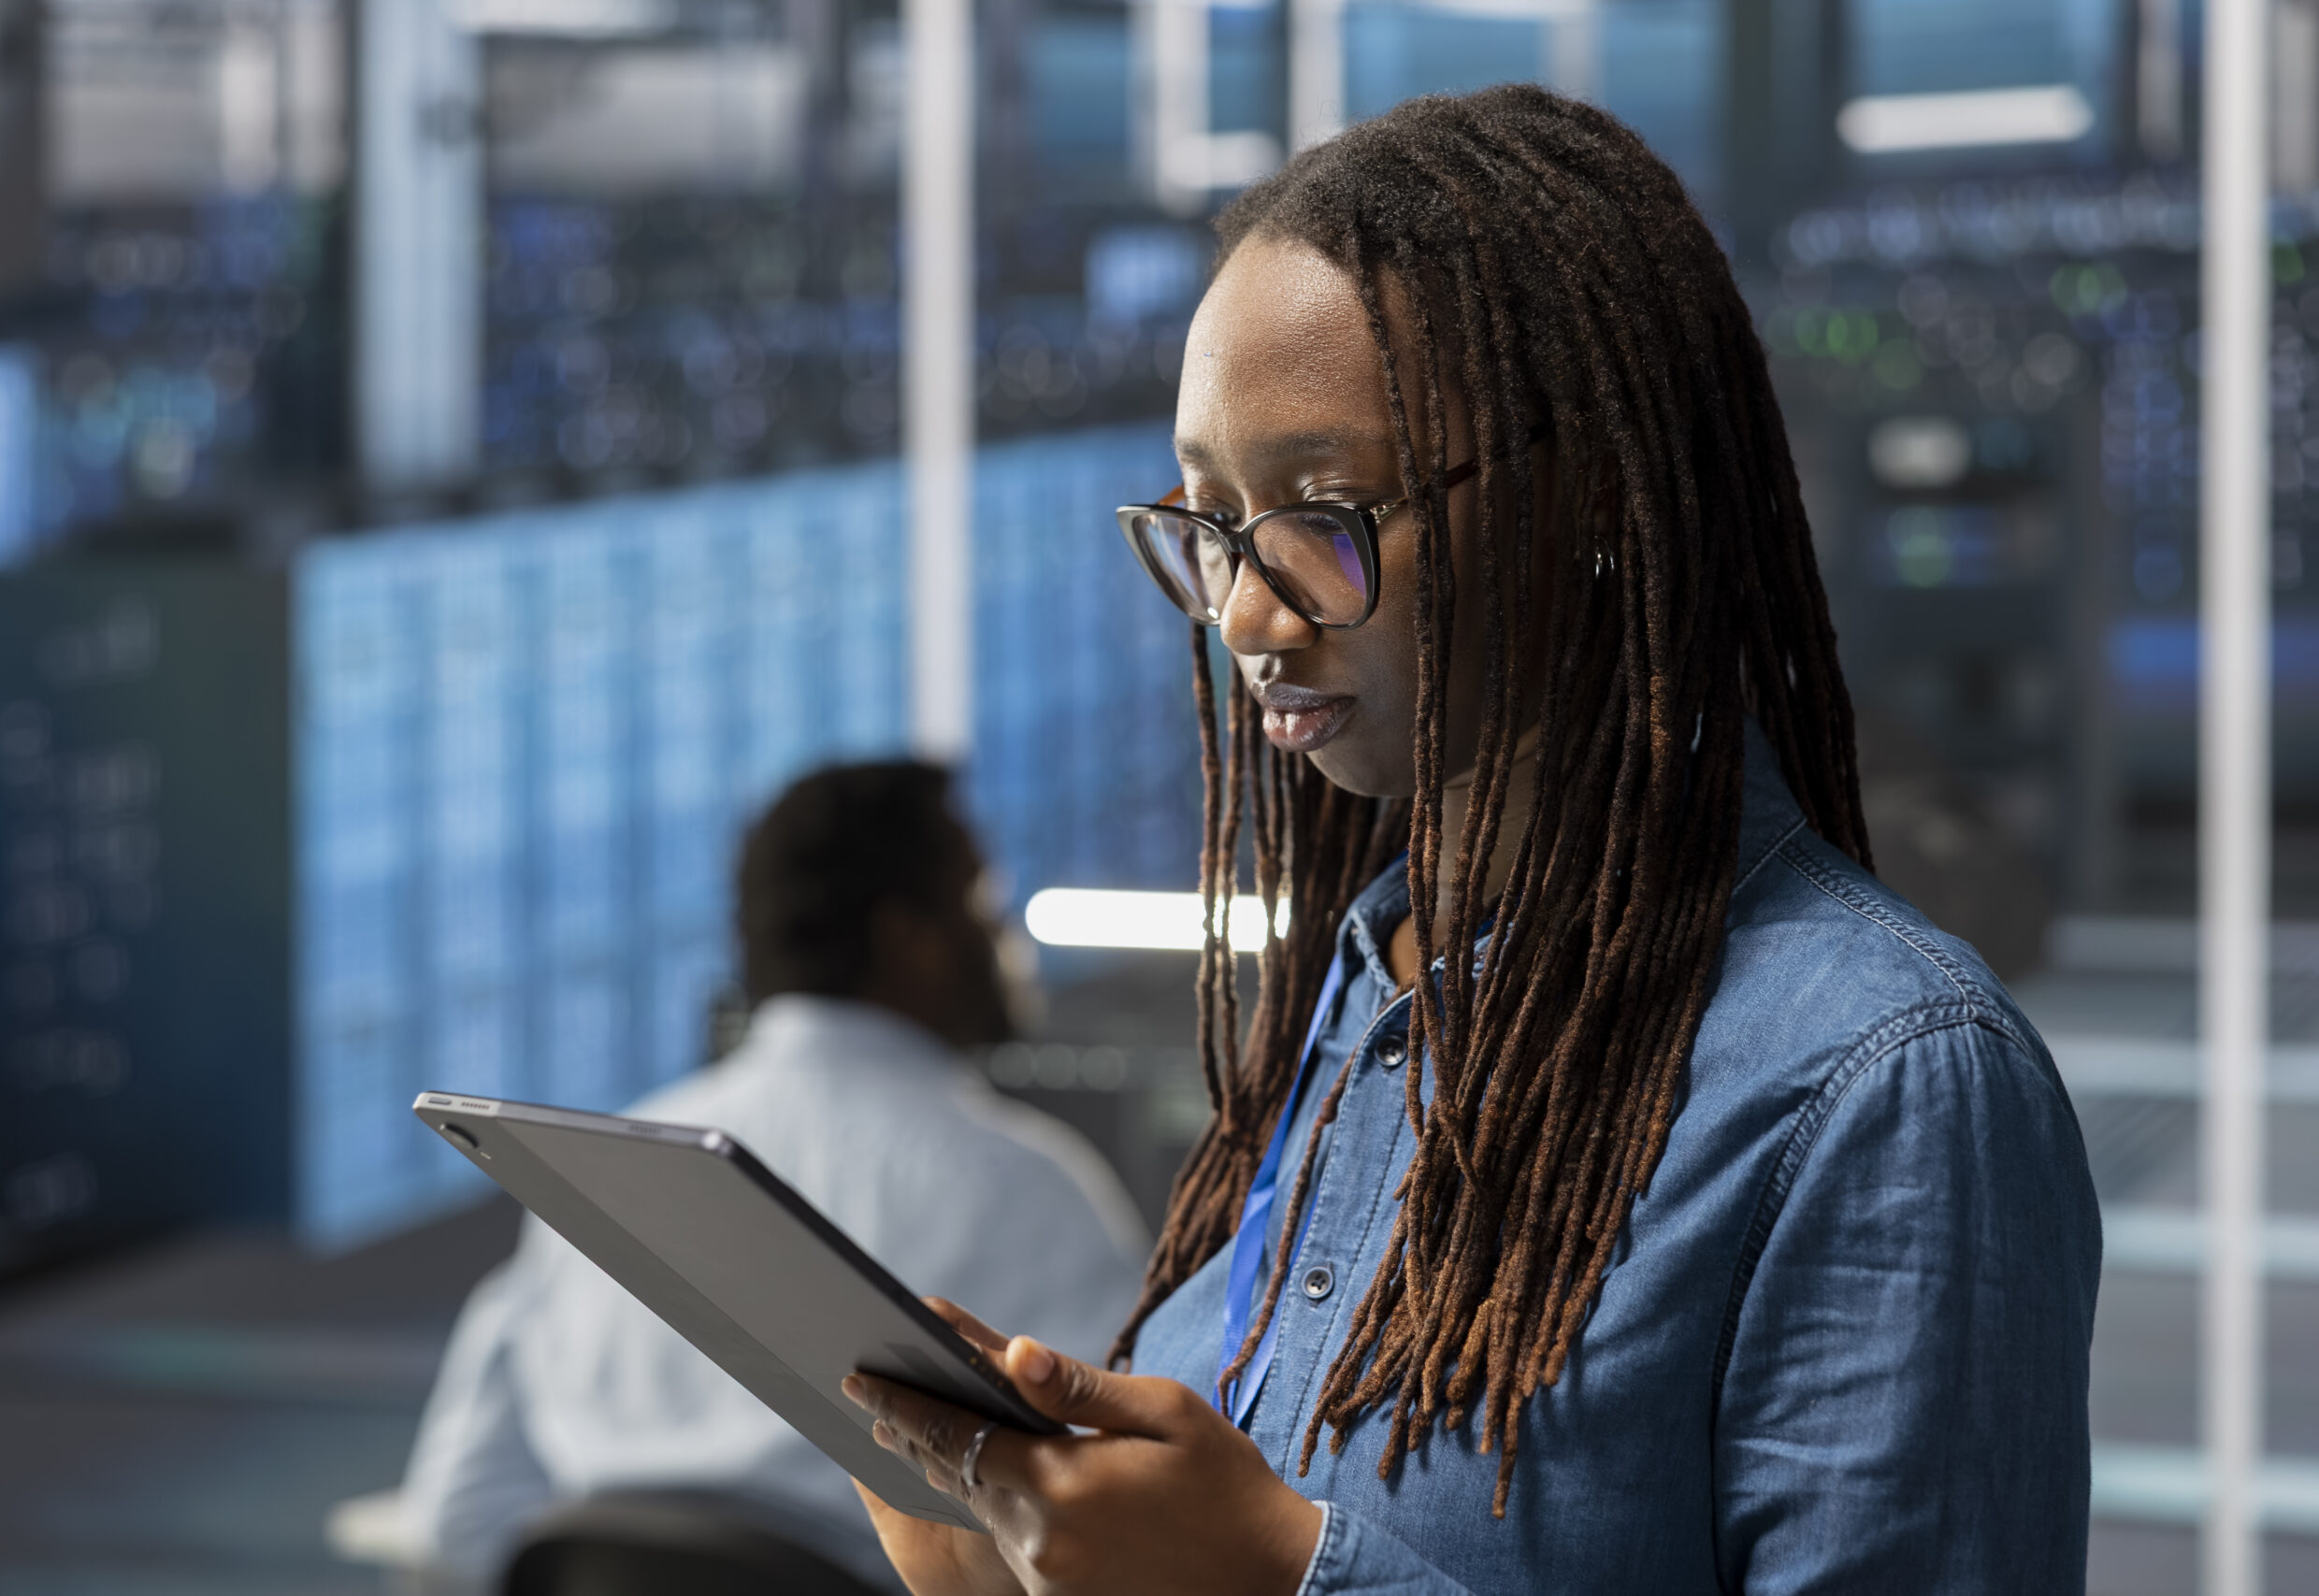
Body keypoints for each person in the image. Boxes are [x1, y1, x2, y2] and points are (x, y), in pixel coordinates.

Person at [844, 85, 2101, 1595]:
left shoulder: (1889, 1082)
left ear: (1585, 498)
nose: (1245, 608)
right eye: (1213, 518)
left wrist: (1281, 1580)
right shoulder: (1359, 1003)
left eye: (1321, 508)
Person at [398, 761, 1149, 1589]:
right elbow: (1118, 1522)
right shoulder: (1034, 1189)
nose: (1004, 940)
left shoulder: (594, 1174)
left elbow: (454, 1520)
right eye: (982, 903)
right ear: (910, 936)